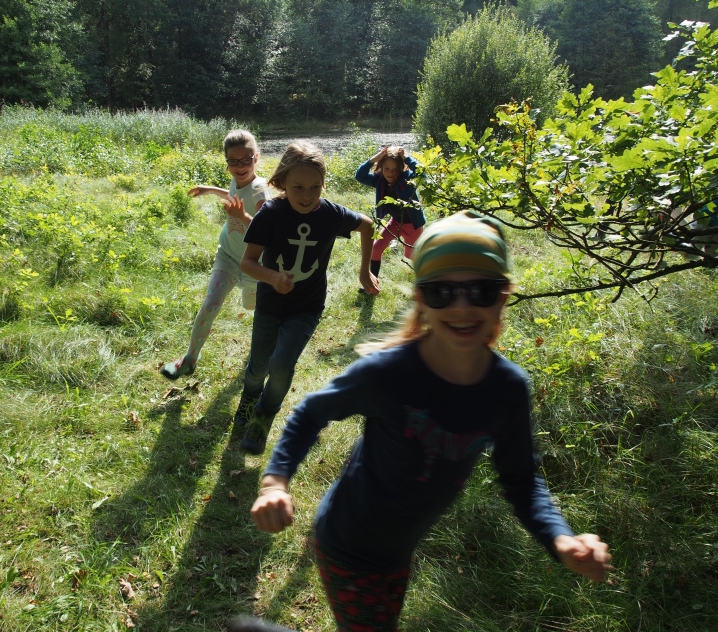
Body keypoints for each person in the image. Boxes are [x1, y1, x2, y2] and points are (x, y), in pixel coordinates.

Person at [249, 211, 612, 631]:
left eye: (481, 290)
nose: (462, 306)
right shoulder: (388, 373)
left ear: (503, 297)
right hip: (349, 543)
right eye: (442, 291)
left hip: (398, 551)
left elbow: (522, 479)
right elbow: (312, 412)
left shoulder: (507, 388)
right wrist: (276, 482)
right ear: (422, 301)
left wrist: (561, 539)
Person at [235, 142, 380, 453]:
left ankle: (261, 418)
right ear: (281, 183)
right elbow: (247, 262)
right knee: (258, 366)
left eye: (315, 187)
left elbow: (368, 226)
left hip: (306, 307)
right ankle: (248, 400)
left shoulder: (330, 214)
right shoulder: (270, 214)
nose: (307, 195)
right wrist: (273, 276)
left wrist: (364, 271)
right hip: (270, 305)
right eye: (298, 186)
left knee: (282, 366)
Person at [160, 129, 270, 380]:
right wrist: (210, 189)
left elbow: (267, 230)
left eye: (246, 159)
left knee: (254, 309)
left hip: (255, 265)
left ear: (256, 157)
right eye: (233, 161)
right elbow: (234, 195)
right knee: (210, 304)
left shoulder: (260, 190)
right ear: (227, 161)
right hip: (229, 257)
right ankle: (188, 360)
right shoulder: (238, 179)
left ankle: (263, 353)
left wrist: (242, 218)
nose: (240, 166)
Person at [354, 146, 425, 280]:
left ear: (401, 168)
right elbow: (360, 176)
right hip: (395, 222)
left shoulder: (406, 178)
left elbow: (422, 173)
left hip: (413, 225)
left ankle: (426, 281)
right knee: (375, 249)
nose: (390, 173)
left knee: (411, 256)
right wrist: (374, 159)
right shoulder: (379, 179)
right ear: (381, 167)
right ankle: (372, 283)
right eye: (386, 168)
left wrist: (407, 158)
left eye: (395, 169)